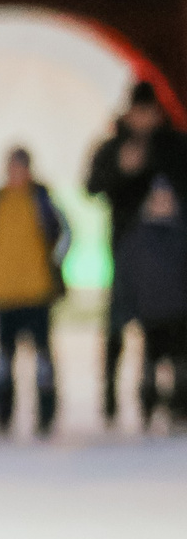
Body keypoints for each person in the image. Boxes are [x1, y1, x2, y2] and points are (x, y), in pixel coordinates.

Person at [84, 81, 187, 428]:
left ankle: (170, 398)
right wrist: (123, 169)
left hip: (172, 254)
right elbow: (93, 185)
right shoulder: (114, 146)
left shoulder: (174, 146)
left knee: (170, 329)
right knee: (118, 325)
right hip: (126, 248)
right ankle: (111, 398)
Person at [0, 148, 69, 436]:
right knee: (4, 360)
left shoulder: (41, 201)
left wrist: (52, 269)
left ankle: (45, 414)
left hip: (37, 292)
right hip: (4, 292)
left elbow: (62, 237)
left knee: (42, 359)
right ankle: (3, 414)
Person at [115, 177, 187, 427]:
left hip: (178, 312)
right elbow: (127, 277)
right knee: (149, 364)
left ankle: (179, 407)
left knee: (180, 364)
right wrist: (127, 309)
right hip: (151, 312)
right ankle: (148, 406)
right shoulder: (136, 238)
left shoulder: (181, 234)